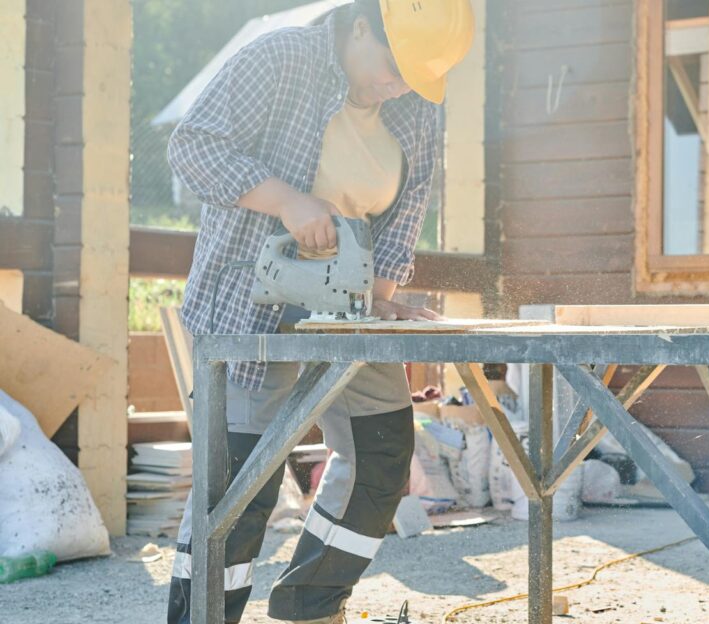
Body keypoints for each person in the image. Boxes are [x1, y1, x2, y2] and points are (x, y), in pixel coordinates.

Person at [164, 1, 473, 622]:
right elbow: (192, 147)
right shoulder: (281, 59)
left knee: (382, 456)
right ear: (360, 26)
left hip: (350, 305)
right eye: (394, 67)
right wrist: (286, 203)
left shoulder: (417, 104)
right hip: (249, 298)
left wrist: (384, 299)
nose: (400, 85)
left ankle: (309, 605)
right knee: (240, 488)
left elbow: (405, 212)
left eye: (414, 75)